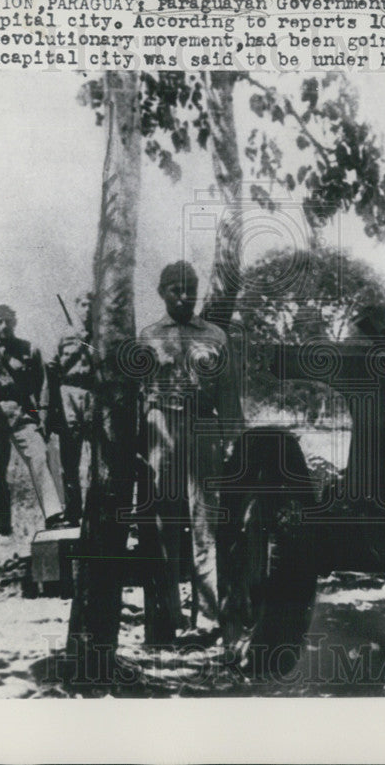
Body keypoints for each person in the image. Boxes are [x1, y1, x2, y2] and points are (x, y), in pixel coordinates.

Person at [138, 262, 242, 641]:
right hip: (161, 428)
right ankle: (167, 618)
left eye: (190, 288)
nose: (184, 296)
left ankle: (208, 620)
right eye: (175, 289)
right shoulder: (148, 336)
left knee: (205, 527)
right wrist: (139, 443)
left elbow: (230, 394)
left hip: (203, 429)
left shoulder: (215, 335)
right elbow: (137, 392)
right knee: (165, 527)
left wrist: (233, 440)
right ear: (162, 292)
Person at [0, 304, 67, 534]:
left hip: (22, 413)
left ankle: (54, 514)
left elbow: (43, 384)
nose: (3, 326)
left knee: (39, 456)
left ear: (14, 322)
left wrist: (43, 415)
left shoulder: (29, 349)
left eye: (7, 321)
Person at [47, 293, 96, 526]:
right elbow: (51, 369)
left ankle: (96, 510)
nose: (87, 309)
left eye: (91, 305)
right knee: (70, 459)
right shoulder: (64, 335)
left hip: (94, 395)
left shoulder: (101, 333)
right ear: (76, 307)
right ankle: (73, 512)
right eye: (83, 304)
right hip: (68, 395)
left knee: (97, 458)